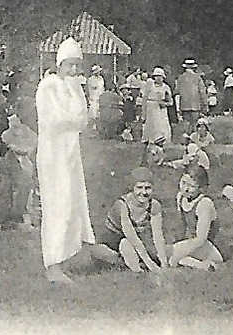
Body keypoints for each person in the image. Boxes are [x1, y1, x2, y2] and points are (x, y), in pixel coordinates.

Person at [36, 38, 94, 283]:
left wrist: (73, 119)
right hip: (53, 152)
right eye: (69, 64)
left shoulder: (76, 87)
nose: (73, 70)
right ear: (59, 63)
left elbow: (83, 119)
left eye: (77, 65)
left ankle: (73, 252)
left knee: (74, 200)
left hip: (71, 151)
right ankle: (52, 263)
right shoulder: (47, 86)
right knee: (57, 203)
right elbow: (55, 120)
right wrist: (73, 119)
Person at [85, 167, 168, 273]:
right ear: (132, 188)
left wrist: (164, 264)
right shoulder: (122, 205)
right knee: (124, 246)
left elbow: (158, 236)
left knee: (158, 253)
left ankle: (137, 264)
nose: (143, 192)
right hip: (110, 246)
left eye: (148, 188)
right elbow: (132, 237)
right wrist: (151, 265)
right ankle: (137, 267)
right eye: (139, 187)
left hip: (131, 246)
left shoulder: (154, 205)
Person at [169, 173, 225, 271]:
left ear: (201, 188)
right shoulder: (180, 197)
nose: (185, 189)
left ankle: (207, 262)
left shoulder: (204, 203)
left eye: (191, 186)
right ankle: (203, 265)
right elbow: (183, 225)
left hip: (209, 247)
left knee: (169, 255)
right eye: (183, 183)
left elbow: (200, 239)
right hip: (191, 243)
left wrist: (179, 250)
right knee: (170, 254)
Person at [141, 67, 174, 146]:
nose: (158, 78)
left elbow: (171, 102)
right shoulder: (149, 85)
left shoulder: (166, 87)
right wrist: (144, 113)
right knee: (151, 123)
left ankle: (161, 140)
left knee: (161, 124)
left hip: (160, 109)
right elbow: (144, 98)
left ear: (163, 77)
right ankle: (149, 140)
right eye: (156, 76)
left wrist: (165, 104)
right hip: (150, 107)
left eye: (160, 76)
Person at [175, 59, 205, 139]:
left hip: (184, 103)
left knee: (186, 121)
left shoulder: (180, 78)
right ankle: (194, 138)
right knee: (194, 122)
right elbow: (202, 91)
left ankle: (186, 138)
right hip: (195, 103)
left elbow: (177, 91)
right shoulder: (198, 77)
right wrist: (204, 104)